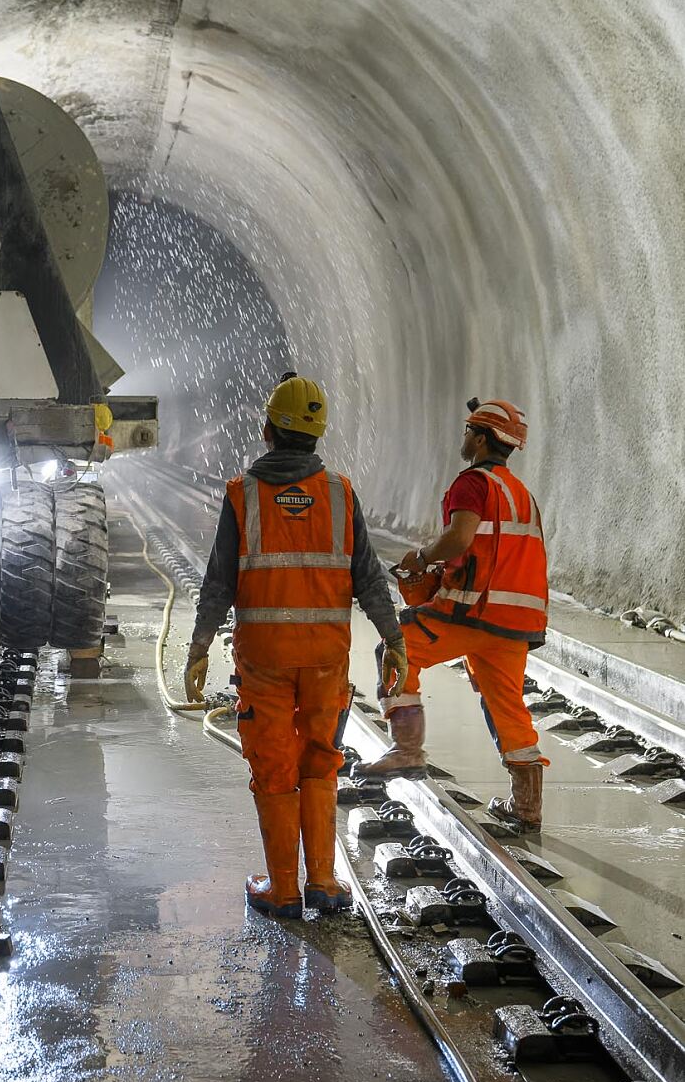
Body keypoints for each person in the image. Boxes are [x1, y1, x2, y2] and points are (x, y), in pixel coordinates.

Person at [184, 374, 407, 919]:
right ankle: (325, 883)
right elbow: (370, 578)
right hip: (326, 660)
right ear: (318, 435)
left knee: (275, 766)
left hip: (264, 661)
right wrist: (394, 639)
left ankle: (283, 889)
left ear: (267, 431)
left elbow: (219, 583)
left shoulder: (243, 495)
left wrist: (198, 646)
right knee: (321, 760)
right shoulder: (340, 493)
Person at [359, 398, 549, 831]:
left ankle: (407, 749)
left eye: (468, 431)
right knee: (508, 706)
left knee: (396, 648)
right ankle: (527, 808)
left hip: (470, 612)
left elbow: (461, 538)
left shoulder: (472, 483)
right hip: (515, 625)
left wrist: (423, 558)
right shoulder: (522, 495)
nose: (463, 438)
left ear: (481, 439)